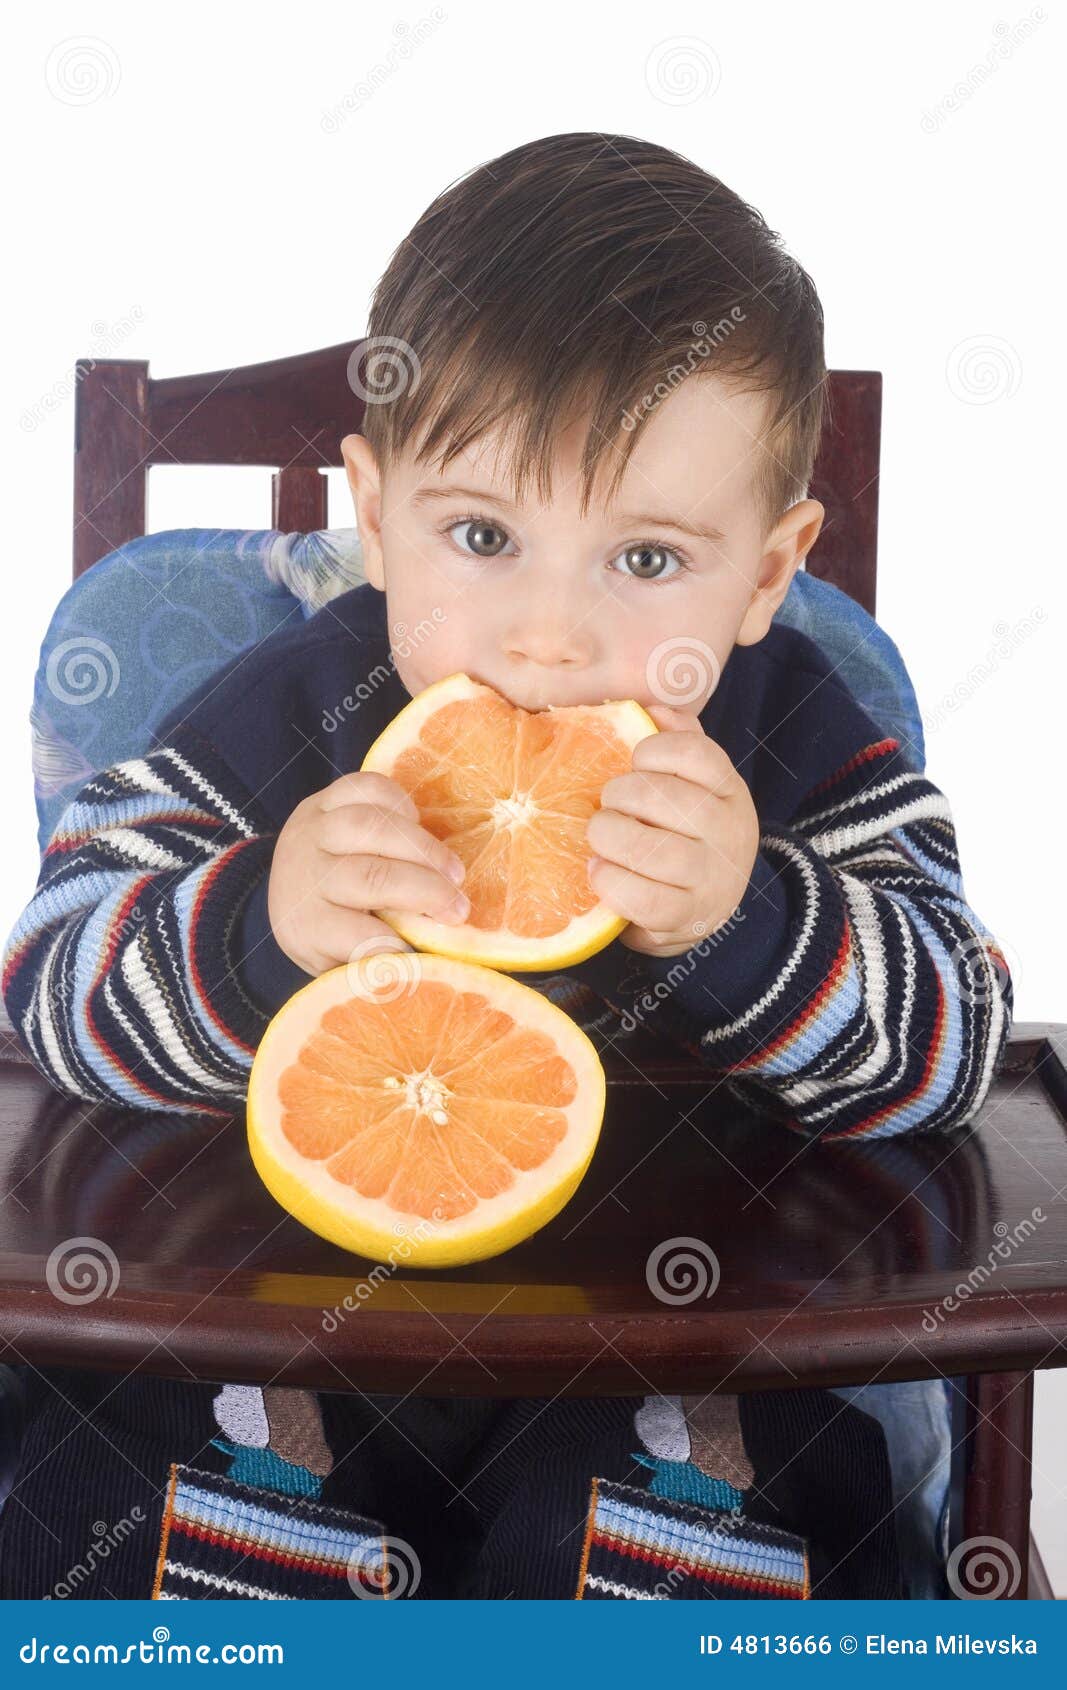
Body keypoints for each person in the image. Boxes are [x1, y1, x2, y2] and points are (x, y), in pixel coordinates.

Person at [0, 132, 1011, 1601]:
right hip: (277, 1333)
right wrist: (255, 928)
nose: (548, 637)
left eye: (648, 560)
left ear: (771, 571)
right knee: (109, 1499)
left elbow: (957, 1040)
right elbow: (50, 971)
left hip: (672, 1350)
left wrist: (756, 916)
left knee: (664, 1526)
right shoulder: (299, 709)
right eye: (482, 534)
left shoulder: (794, 729)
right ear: (373, 509)